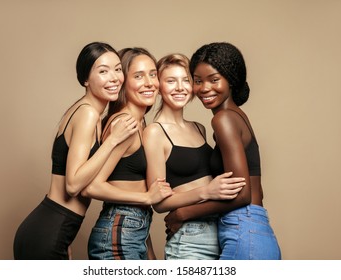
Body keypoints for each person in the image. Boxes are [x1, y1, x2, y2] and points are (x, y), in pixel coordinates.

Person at [13, 42, 141, 259]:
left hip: (54, 229)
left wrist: (62, 240)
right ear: (85, 79)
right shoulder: (87, 114)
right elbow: (72, 185)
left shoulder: (86, 112)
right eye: (103, 71)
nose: (114, 78)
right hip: (51, 228)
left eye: (118, 69)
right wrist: (113, 140)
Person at [165, 42, 281, 260]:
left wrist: (182, 213)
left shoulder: (223, 119)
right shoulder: (237, 116)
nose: (204, 88)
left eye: (214, 79)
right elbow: (255, 192)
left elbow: (243, 195)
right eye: (198, 81)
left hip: (244, 229)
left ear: (231, 80)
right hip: (255, 230)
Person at [143, 53, 246, 259]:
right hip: (190, 238)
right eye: (171, 81)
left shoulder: (199, 128)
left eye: (186, 80)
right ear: (159, 87)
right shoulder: (154, 132)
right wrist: (206, 191)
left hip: (222, 229)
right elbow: (159, 202)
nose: (180, 87)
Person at [82, 47, 173, 260]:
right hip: (118, 232)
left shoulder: (139, 122)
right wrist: (146, 197)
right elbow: (92, 186)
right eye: (139, 76)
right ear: (123, 82)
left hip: (132, 230)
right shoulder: (125, 123)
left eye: (153, 74)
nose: (150, 83)